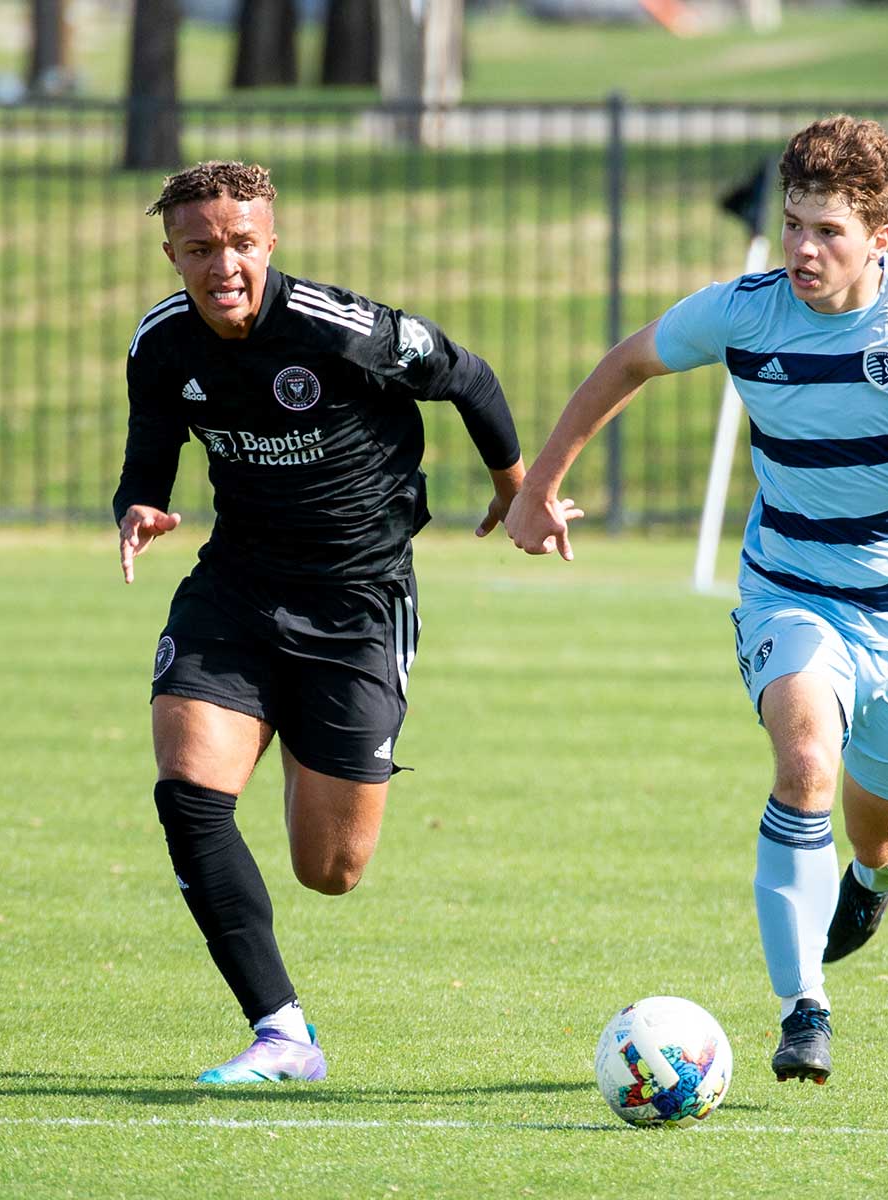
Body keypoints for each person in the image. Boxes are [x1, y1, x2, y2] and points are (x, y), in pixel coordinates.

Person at [504, 116, 888, 1085]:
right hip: (792, 589)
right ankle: (803, 1013)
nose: (803, 248)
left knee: (886, 833)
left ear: (879, 238)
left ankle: (875, 877)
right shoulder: (743, 312)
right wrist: (539, 486)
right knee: (804, 764)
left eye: (828, 231)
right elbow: (627, 362)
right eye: (794, 223)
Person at [114, 160, 547, 1084]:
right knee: (188, 795)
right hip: (235, 589)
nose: (223, 265)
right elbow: (151, 442)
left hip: (359, 604)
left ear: (270, 242)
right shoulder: (161, 341)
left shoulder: (341, 329)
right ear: (172, 255)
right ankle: (282, 1034)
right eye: (200, 248)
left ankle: (306, 733)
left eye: (240, 243)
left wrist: (517, 490)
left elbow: (468, 376)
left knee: (330, 870)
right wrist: (139, 503)